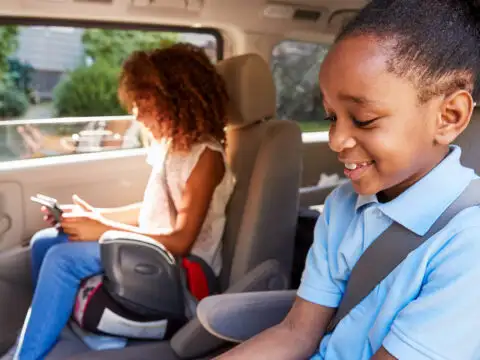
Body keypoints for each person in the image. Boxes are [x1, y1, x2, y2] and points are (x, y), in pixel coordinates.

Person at [217, 0, 480, 359]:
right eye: (331, 118)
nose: (336, 140)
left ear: (449, 116)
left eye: (364, 119)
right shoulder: (344, 205)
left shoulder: (469, 243)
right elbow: (297, 332)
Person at [13, 43, 235, 360]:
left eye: (145, 104)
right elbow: (151, 211)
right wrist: (94, 216)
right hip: (152, 252)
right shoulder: (173, 146)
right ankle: (50, 330)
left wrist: (103, 229)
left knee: (63, 260)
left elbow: (182, 239)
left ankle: (28, 355)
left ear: (180, 101)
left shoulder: (206, 158)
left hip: (180, 274)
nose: (136, 114)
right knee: (44, 242)